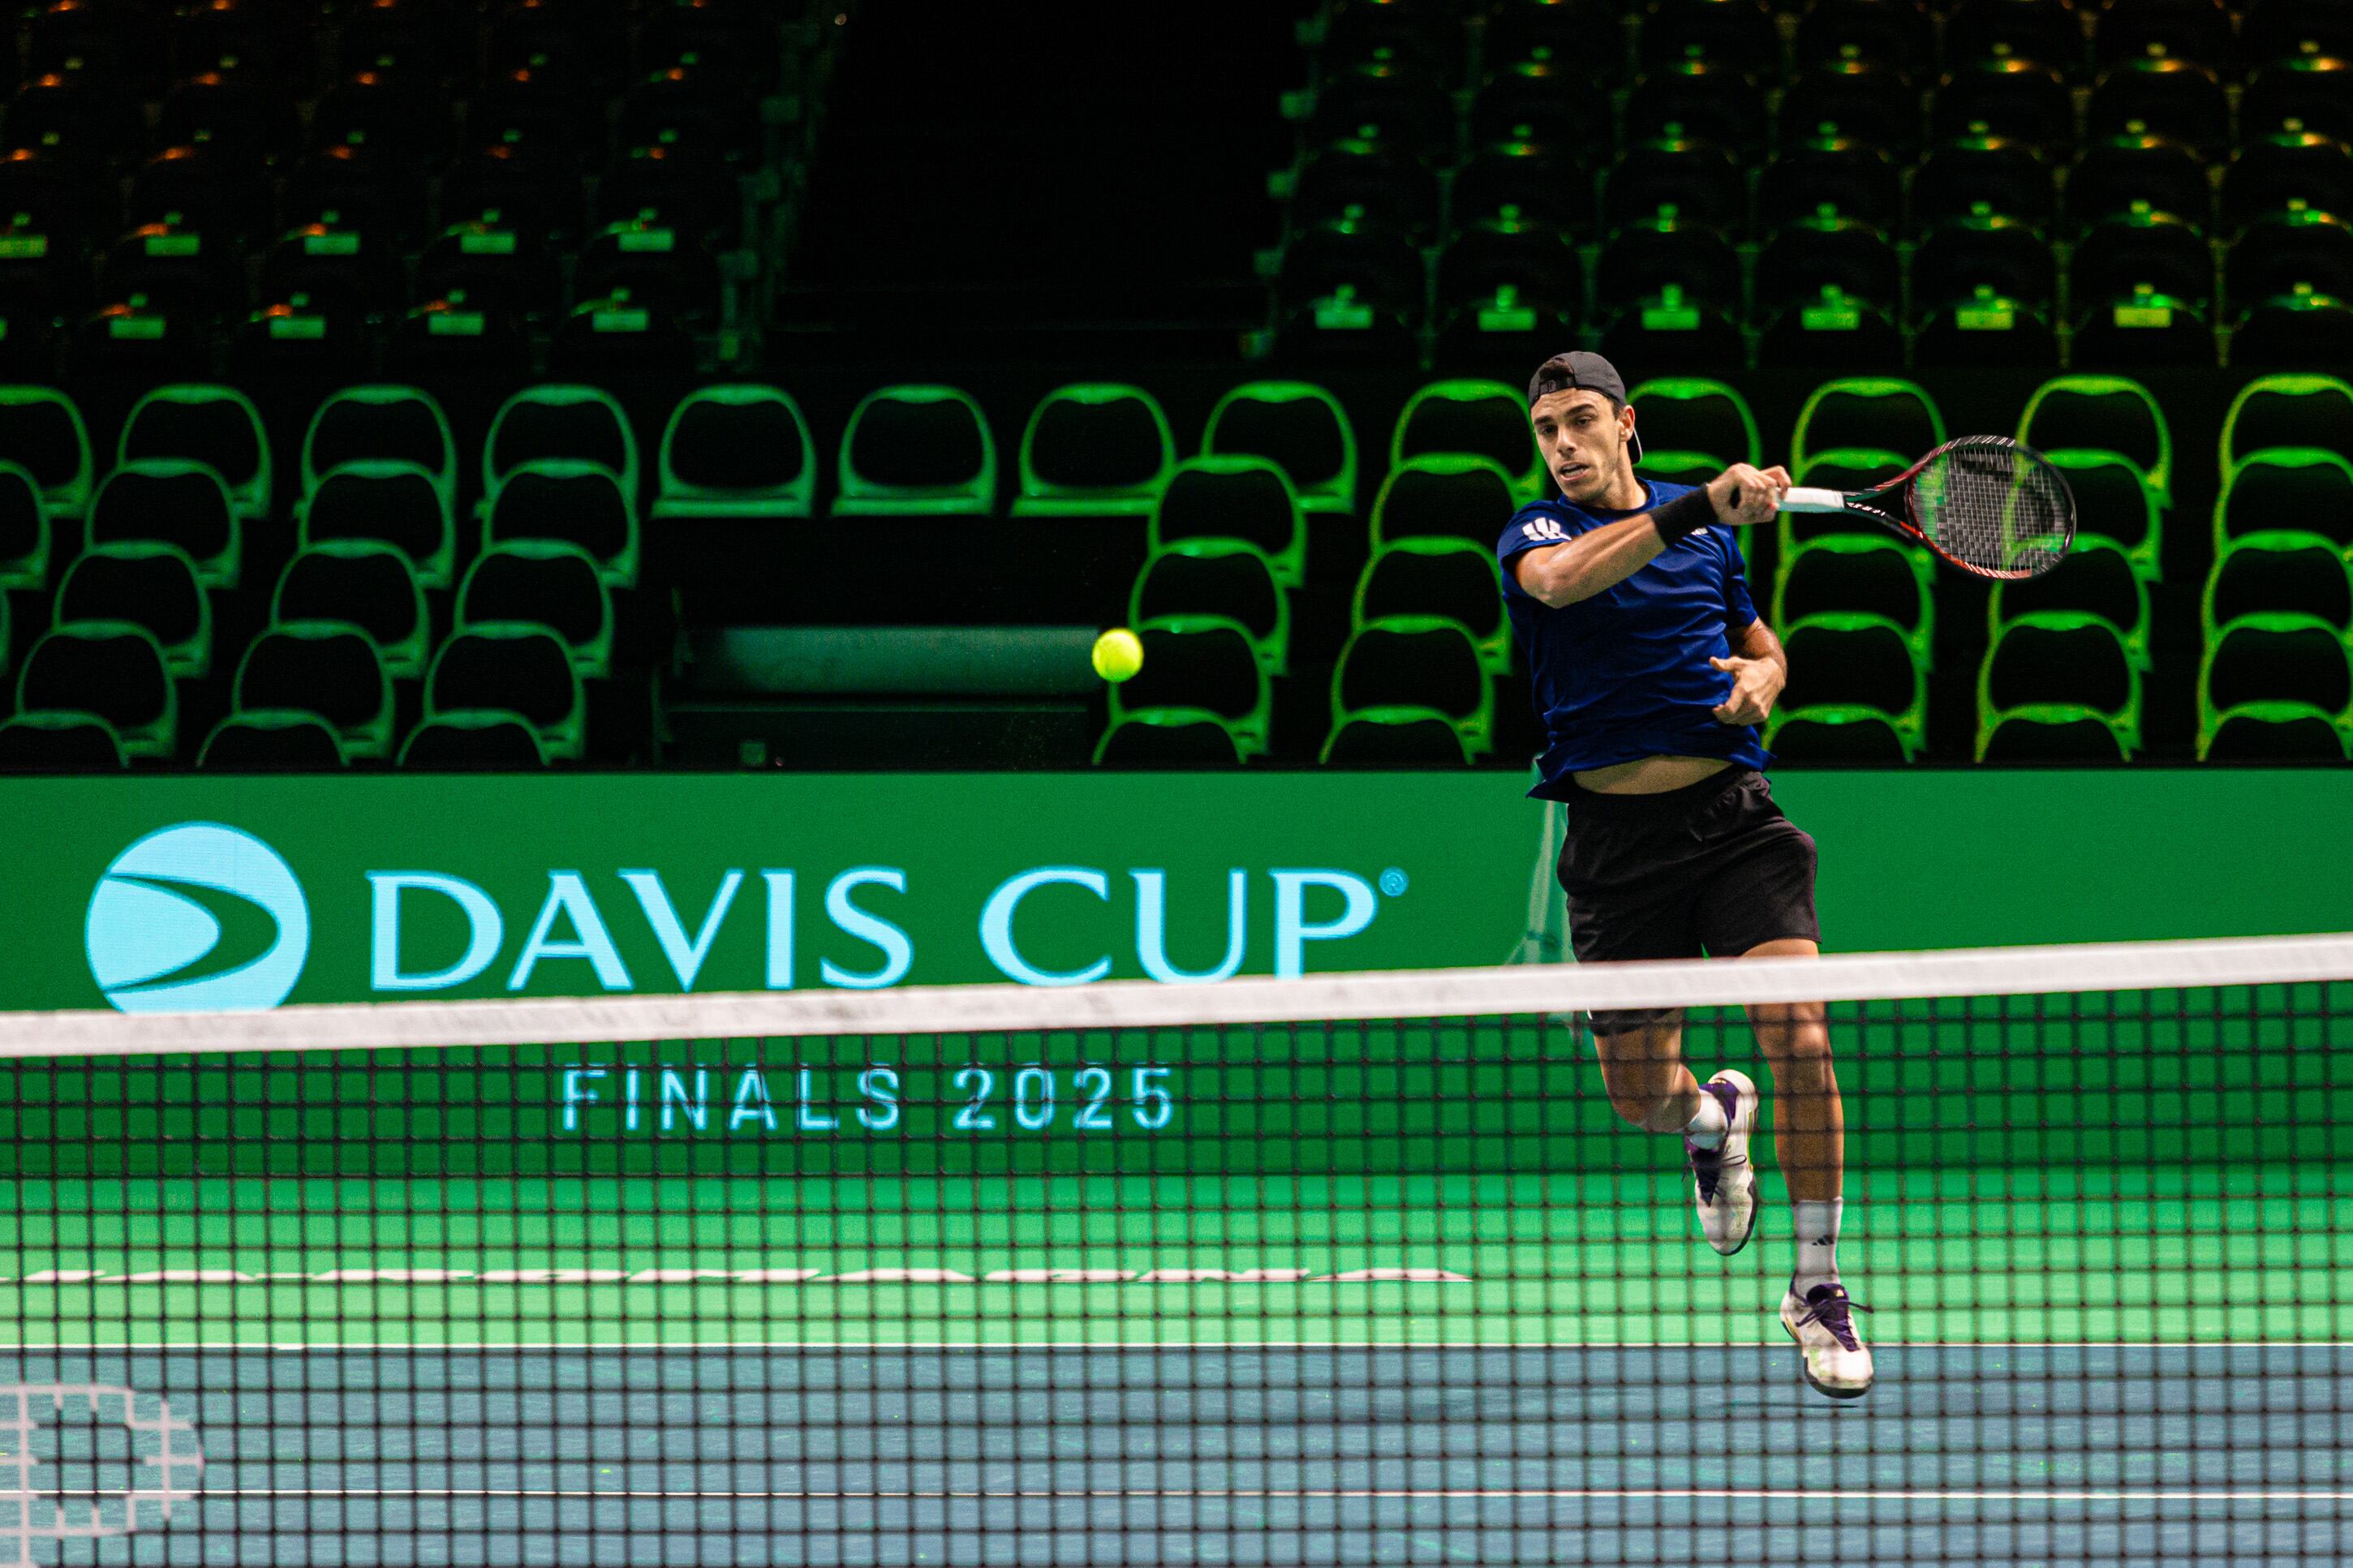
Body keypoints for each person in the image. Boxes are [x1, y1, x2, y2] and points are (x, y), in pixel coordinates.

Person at [1496, 350, 1873, 1399]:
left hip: (1733, 820)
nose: (1563, 445)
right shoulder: (1535, 535)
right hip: (1616, 848)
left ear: (1627, 424)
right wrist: (1705, 501)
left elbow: (1762, 642)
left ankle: (1816, 1282)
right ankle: (1713, 1120)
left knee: (1799, 1028)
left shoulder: (1704, 536)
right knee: (1637, 1097)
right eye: (1545, 430)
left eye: (1580, 422)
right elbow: (1571, 583)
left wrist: (1765, 674)